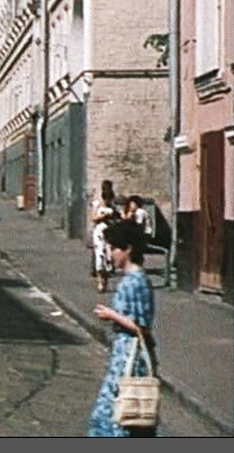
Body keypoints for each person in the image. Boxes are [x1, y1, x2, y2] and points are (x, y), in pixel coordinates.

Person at [87, 219, 158, 437]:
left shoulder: (134, 281)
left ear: (128, 249)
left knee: (117, 414)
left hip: (129, 356)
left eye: (115, 248)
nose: (110, 254)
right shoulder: (136, 279)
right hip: (125, 354)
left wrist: (112, 315)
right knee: (126, 415)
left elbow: (141, 326)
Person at [90, 180, 118, 293]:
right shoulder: (97, 204)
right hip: (100, 232)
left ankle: (105, 281)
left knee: (109, 258)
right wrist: (103, 216)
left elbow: (117, 218)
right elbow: (94, 218)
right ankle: (100, 281)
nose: (108, 201)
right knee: (99, 256)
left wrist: (113, 217)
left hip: (110, 231)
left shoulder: (113, 206)